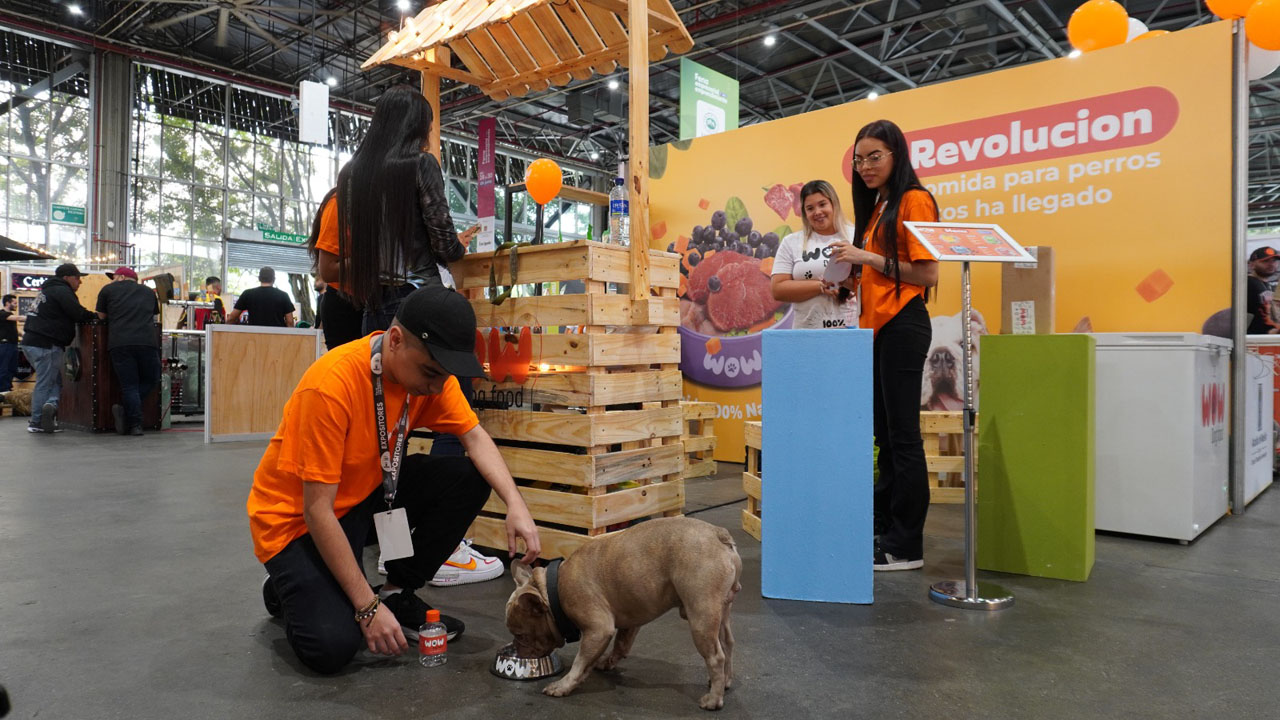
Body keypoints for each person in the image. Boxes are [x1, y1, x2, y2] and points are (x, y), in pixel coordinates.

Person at [247, 284, 541, 674]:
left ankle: (396, 593)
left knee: (469, 477)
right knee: (332, 648)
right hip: (296, 522)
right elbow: (316, 511)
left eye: (445, 376)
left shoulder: (431, 377)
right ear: (396, 340)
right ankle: (285, 588)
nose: (437, 387)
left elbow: (474, 437)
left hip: (365, 495)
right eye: (431, 373)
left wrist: (516, 505)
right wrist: (366, 608)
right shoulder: (331, 386)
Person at [830, 120, 940, 572]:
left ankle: (906, 544)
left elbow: (927, 274)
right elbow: (879, 273)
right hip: (876, 329)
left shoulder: (915, 200)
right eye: (859, 160)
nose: (865, 166)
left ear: (897, 154)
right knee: (885, 437)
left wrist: (865, 257)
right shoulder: (879, 207)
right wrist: (848, 279)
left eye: (874, 156)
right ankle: (885, 528)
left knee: (904, 437)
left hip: (903, 323)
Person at [313, 83, 476, 334]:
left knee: (379, 361)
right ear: (417, 127)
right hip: (419, 300)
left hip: (373, 306)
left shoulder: (351, 174)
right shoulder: (421, 164)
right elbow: (444, 243)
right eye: (428, 128)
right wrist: (458, 246)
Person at [769, 179, 860, 329]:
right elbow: (777, 290)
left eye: (822, 204)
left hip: (852, 331)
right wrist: (820, 286)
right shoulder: (791, 242)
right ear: (804, 213)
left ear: (834, 204)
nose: (817, 212)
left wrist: (847, 283)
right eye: (810, 208)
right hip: (806, 332)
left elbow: (872, 283)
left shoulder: (857, 236)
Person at [19, 264, 96, 433]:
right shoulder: (62, 291)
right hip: (46, 343)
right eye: (77, 278)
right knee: (46, 382)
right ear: (66, 278)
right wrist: (96, 317)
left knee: (54, 381)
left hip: (31, 342)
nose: (80, 282)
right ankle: (38, 421)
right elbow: (77, 313)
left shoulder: (47, 290)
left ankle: (50, 408)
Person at [96, 267, 162, 436]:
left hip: (120, 343)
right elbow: (154, 316)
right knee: (152, 379)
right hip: (147, 342)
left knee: (129, 386)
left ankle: (135, 425)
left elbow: (101, 316)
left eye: (114, 277)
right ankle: (127, 413)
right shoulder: (149, 292)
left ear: (122, 277)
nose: (112, 280)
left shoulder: (107, 290)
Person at [228, 267, 296, 327]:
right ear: (274, 279)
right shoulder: (283, 295)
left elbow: (231, 318)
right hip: (277, 335)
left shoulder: (247, 294)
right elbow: (290, 322)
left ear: (259, 278)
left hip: (253, 335)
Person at [0, 294, 21, 393]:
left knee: (12, 368)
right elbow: (18, 318)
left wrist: (24, 335)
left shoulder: (10, 316)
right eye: (14, 303)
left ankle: (7, 388)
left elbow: (15, 330)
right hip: (5, 345)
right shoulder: (2, 314)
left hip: (13, 345)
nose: (16, 305)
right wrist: (34, 317)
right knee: (4, 368)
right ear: (8, 303)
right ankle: (2, 390)